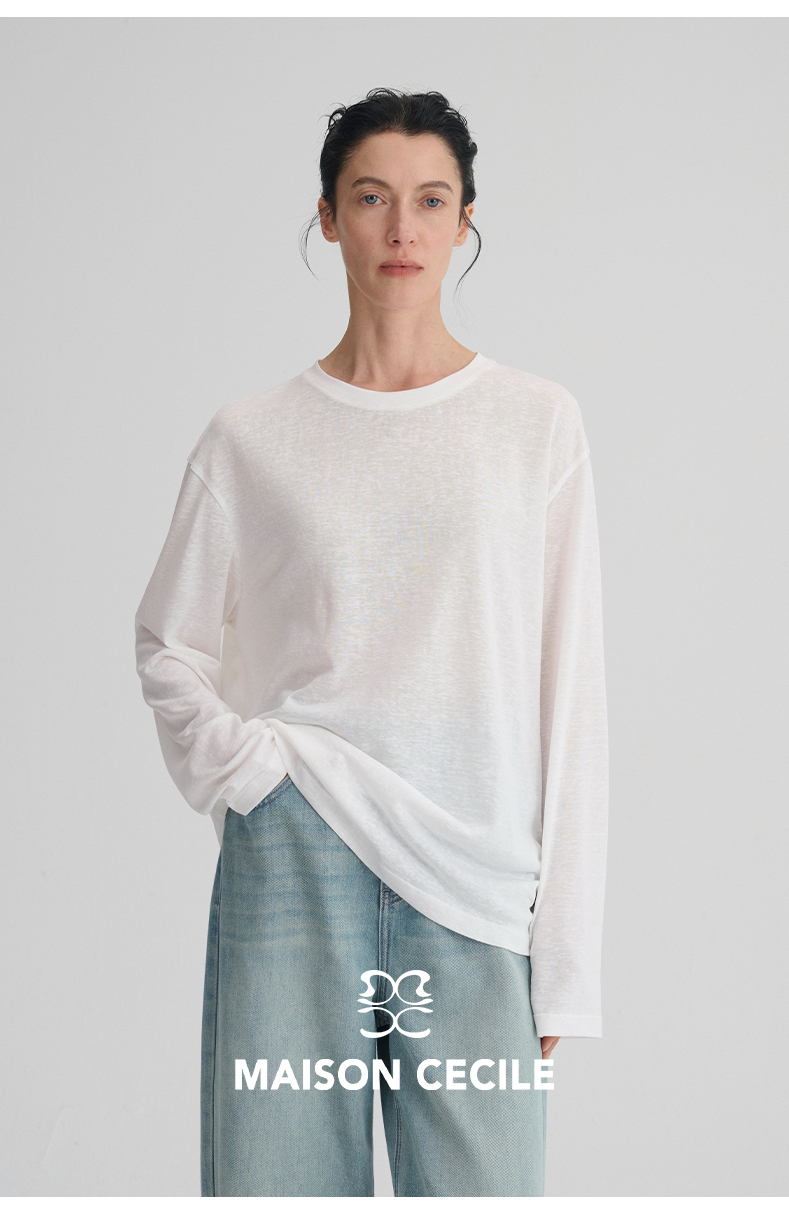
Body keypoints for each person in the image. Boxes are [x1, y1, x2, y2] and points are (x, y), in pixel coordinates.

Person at [134, 87, 609, 1198]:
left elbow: (572, 688)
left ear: (466, 221)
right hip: (296, 854)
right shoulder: (251, 437)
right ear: (327, 216)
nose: (402, 228)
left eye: (431, 200)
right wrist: (253, 774)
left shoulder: (535, 422)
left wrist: (566, 960)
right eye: (371, 198)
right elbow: (168, 641)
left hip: (477, 880)